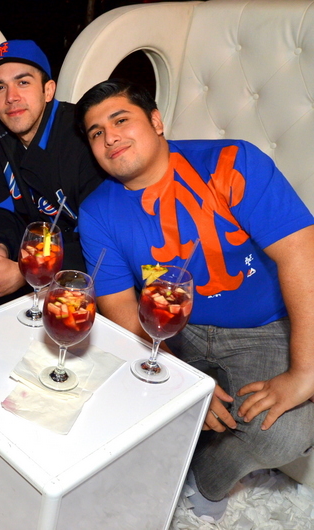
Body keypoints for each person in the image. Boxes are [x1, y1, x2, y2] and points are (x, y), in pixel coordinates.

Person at [75, 79, 314, 522]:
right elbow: (120, 309)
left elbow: (302, 253)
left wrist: (305, 372)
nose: (109, 137)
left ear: (156, 121)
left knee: (285, 433)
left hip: (262, 326)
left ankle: (204, 476)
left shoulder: (232, 161)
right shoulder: (96, 211)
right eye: (96, 132)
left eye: (121, 120)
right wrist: (179, 386)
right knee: (94, 392)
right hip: (167, 328)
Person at [0, 40, 106, 308]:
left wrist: (26, 271)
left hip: (88, 271)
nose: (11, 97)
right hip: (31, 254)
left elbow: (101, 239)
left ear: (48, 90)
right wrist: (0, 248)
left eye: (23, 82)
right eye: (0, 87)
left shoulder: (84, 135)